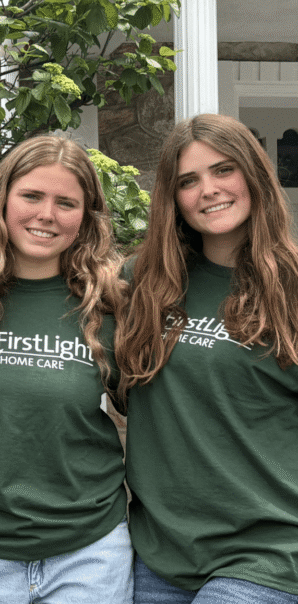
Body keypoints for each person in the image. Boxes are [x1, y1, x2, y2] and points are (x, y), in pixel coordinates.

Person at [0, 136, 132, 603]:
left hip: (89, 552)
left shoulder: (109, 308)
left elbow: (159, 412)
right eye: (31, 196)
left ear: (86, 217)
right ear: (2, 202)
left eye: (66, 203)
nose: (46, 214)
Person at [116, 113, 298, 603]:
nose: (209, 190)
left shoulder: (292, 287)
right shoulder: (144, 282)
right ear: (172, 197)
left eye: (224, 170)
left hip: (268, 552)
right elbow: (51, 291)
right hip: (161, 556)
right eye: (188, 181)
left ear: (253, 175)